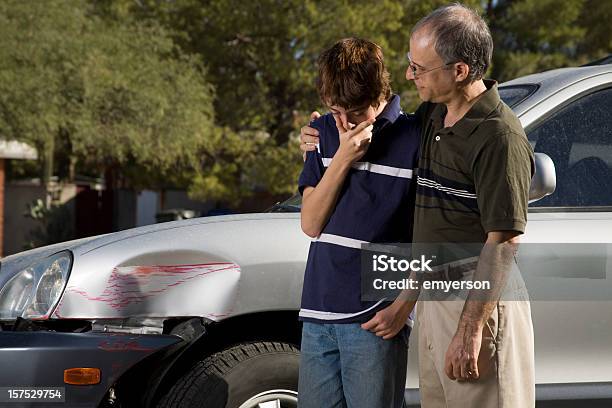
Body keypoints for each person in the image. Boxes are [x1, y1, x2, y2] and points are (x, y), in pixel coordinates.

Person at [299, 4, 536, 408]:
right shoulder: (433, 120)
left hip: (473, 302)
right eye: (410, 64)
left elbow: (503, 241)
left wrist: (469, 330)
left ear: (459, 71)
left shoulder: (498, 136)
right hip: (433, 300)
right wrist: (321, 140)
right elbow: (430, 228)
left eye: (419, 68)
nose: (410, 75)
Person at [297, 37, 420, 408]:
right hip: (317, 313)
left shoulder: (415, 138)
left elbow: (433, 231)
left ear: (380, 91)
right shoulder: (323, 134)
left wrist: (404, 305)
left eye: (354, 111)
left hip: (375, 316)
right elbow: (311, 224)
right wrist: (342, 159)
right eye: (335, 110)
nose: (345, 122)